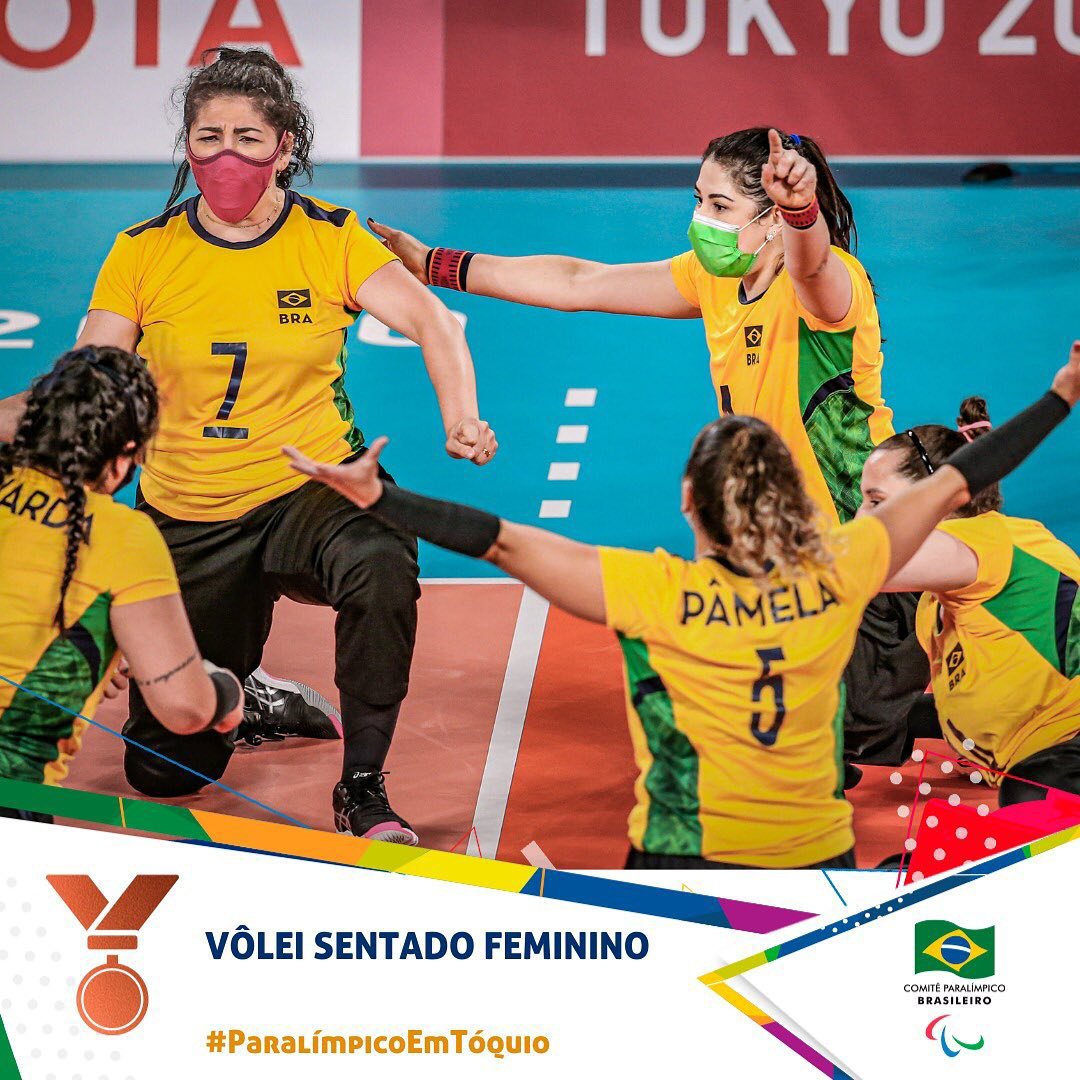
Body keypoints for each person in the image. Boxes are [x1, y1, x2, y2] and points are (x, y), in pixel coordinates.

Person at [280, 345, 1079, 868]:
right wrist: (1060, 396)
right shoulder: (844, 568)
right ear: (795, 502)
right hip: (816, 859)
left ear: (688, 504)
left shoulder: (655, 593)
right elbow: (961, 479)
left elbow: (500, 541)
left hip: (685, 859)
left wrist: (381, 498)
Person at [0, 47, 497, 843]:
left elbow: (432, 321)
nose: (225, 156)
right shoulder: (144, 250)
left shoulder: (330, 237)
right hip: (189, 509)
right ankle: (250, 693)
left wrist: (461, 416)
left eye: (247, 139)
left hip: (313, 484)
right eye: (208, 138)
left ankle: (363, 787)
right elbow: (86, 380)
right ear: (187, 145)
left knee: (381, 557)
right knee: (162, 772)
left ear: (284, 147)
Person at [368, 127, 925, 775]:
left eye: (720, 206)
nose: (701, 220)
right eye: (699, 200)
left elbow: (812, 266)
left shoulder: (828, 288)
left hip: (853, 550)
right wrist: (435, 264)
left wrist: (804, 214)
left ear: (773, 217)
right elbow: (581, 282)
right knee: (763, 727)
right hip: (767, 549)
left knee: (844, 734)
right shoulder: (715, 278)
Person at [0, 347, 245, 823]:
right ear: (122, 459)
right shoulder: (123, 537)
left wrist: (102, 649)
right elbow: (184, 709)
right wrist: (224, 693)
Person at [860, 361, 1080, 806]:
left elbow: (861, 565)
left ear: (932, 499)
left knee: (1034, 791)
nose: (862, 516)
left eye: (877, 502)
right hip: (1032, 751)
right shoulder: (933, 606)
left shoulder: (983, 540)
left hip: (1064, 744)